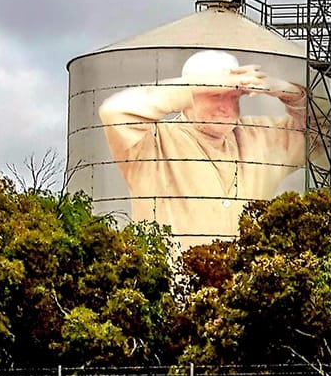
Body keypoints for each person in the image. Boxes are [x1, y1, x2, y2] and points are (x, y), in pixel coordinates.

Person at [99, 50, 308, 242]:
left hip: (247, 282)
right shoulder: (151, 144)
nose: (225, 107)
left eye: (233, 96)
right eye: (215, 95)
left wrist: (284, 90)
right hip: (169, 282)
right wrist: (202, 84)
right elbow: (114, 111)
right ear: (188, 96)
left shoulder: (259, 138)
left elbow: (330, 130)